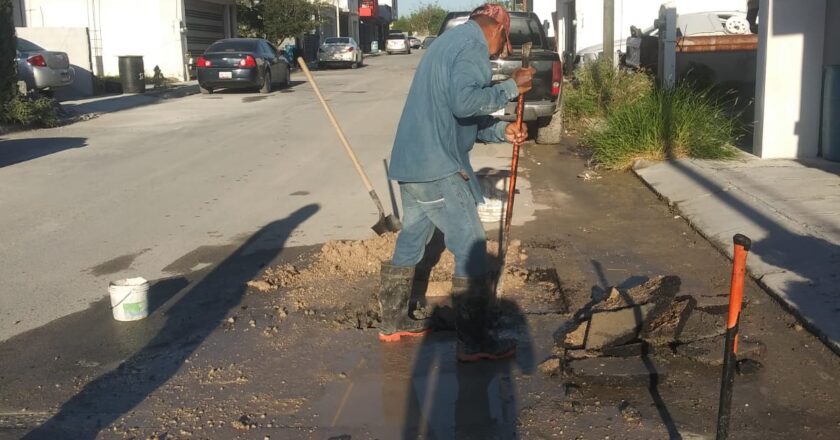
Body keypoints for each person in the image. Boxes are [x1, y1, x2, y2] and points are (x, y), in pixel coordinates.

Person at [377, 3, 535, 363]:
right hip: (437, 167)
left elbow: (458, 116)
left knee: (413, 238)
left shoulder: (449, 43)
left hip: (413, 164)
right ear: (496, 28)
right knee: (471, 243)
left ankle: (392, 322)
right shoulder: (473, 46)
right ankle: (474, 341)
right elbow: (465, 103)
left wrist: (501, 131)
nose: (501, 52)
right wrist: (511, 86)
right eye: (504, 42)